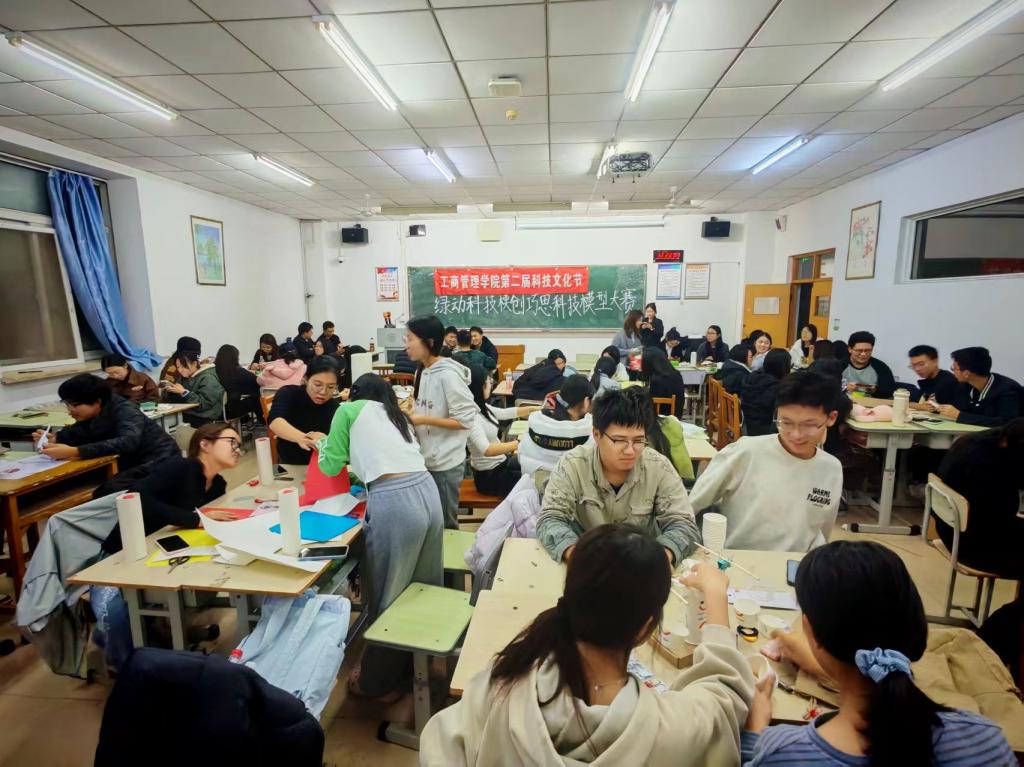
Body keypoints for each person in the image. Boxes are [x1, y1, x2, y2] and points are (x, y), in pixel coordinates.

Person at [421, 524, 754, 767]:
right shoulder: (671, 728)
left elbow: (442, 746)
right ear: (645, 629)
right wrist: (715, 596)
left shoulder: (503, 688)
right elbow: (724, 699)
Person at [743, 541, 1014, 765]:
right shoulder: (986, 741)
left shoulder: (782, 754)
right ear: (916, 624)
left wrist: (755, 731)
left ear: (810, 631)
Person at [317, 373, 443, 701]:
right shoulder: (396, 415)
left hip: (396, 503)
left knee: (388, 594)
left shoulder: (347, 410)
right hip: (427, 492)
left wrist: (321, 443)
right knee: (421, 588)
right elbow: (383, 458)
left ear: (355, 393)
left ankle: (376, 683)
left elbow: (330, 466)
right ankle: (416, 667)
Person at [537, 387, 700, 565]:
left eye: (638, 440)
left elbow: (684, 525)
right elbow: (551, 518)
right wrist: (577, 556)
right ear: (597, 435)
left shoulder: (659, 468)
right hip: (586, 560)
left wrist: (661, 558)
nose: (630, 451)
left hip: (641, 563)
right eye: (619, 440)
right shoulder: (572, 465)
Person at [689, 371, 843, 551]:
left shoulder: (831, 468)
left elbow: (822, 531)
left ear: (831, 418)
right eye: (786, 423)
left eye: (809, 425)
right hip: (738, 559)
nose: (796, 435)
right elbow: (690, 507)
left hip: (796, 564)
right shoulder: (746, 452)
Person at [103, 422, 242, 553]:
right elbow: (136, 498)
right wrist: (195, 520)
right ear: (205, 444)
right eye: (232, 442)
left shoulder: (218, 484)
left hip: (169, 547)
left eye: (239, 446)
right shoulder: (181, 466)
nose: (238, 451)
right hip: (125, 553)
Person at [34, 374, 178, 498]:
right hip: (129, 462)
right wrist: (56, 438)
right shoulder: (95, 412)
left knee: (107, 492)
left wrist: (75, 451)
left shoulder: (125, 410)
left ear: (97, 401)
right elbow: (81, 430)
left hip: (159, 460)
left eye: (75, 405)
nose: (70, 411)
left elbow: (127, 442)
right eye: (67, 405)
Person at [401, 316, 477, 529]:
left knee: (445, 524)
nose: (406, 345)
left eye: (410, 338)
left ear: (429, 342)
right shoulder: (422, 369)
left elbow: (465, 419)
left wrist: (422, 419)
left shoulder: (448, 375)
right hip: (427, 458)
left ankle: (450, 553)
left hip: (445, 462)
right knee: (431, 520)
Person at [933, 418, 1024, 577]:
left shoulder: (977, 440)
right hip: (974, 547)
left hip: (951, 531)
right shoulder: (990, 464)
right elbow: (1000, 518)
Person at [466, 365, 534, 497]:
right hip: (489, 477)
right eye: (489, 381)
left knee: (530, 464)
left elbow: (505, 413)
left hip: (500, 465)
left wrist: (535, 409)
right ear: (479, 387)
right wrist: (518, 444)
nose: (491, 383)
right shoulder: (471, 416)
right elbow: (487, 450)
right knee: (532, 480)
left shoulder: (481, 407)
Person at [267, 356, 342, 465]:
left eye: (330, 387)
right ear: (306, 379)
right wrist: (303, 438)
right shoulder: (288, 394)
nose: (323, 392)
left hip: (323, 465)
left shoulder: (335, 407)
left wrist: (328, 441)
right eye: (317, 385)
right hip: (292, 463)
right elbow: (275, 422)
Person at [519, 374, 595, 475]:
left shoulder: (534, 423)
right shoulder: (590, 435)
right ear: (586, 402)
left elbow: (521, 454)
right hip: (570, 485)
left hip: (532, 483)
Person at [938, 346, 1022, 426]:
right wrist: (938, 407)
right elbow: (958, 406)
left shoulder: (1007, 390)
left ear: (966, 374)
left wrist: (960, 416)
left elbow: (1006, 422)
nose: (952, 372)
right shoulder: (967, 385)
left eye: (953, 369)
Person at [163, 353, 225, 427]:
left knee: (168, 423)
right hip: (188, 413)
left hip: (204, 417)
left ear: (194, 363)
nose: (180, 370)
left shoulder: (208, 378)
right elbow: (178, 399)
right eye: (178, 367)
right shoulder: (185, 377)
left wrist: (184, 392)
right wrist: (171, 391)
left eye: (184, 366)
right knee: (165, 421)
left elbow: (204, 404)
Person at [740, 349, 791, 437]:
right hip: (764, 431)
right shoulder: (776, 387)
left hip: (747, 424)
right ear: (784, 366)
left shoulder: (751, 377)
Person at [213, 344, 261, 422]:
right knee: (258, 397)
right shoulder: (237, 371)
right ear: (235, 358)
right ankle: (263, 420)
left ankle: (247, 419)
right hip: (231, 411)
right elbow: (256, 380)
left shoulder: (215, 370)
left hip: (218, 410)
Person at [843, 330, 896, 397]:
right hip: (845, 401)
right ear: (850, 349)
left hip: (872, 402)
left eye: (867, 350)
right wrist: (845, 388)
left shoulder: (881, 367)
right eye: (859, 350)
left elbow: (889, 391)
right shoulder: (839, 366)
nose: (863, 354)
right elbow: (831, 389)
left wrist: (875, 390)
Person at [907, 344, 960, 409]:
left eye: (921, 364)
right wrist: (920, 406)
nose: (917, 369)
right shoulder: (927, 381)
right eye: (913, 365)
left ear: (935, 361)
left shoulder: (948, 381)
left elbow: (948, 410)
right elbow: (915, 402)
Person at [641, 347, 685, 418]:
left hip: (662, 418)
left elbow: (655, 404)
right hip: (676, 416)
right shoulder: (676, 374)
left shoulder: (657, 380)